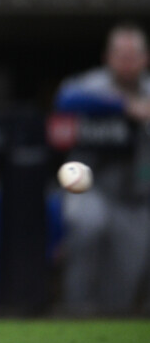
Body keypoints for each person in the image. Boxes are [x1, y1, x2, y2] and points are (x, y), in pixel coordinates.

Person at [53, 24, 150, 315]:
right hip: (91, 188)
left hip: (137, 199)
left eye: (133, 55)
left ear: (145, 59)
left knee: (121, 288)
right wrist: (123, 106)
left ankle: (103, 342)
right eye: (120, 55)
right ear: (108, 57)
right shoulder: (91, 85)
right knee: (88, 222)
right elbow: (65, 100)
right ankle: (73, 312)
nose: (127, 62)